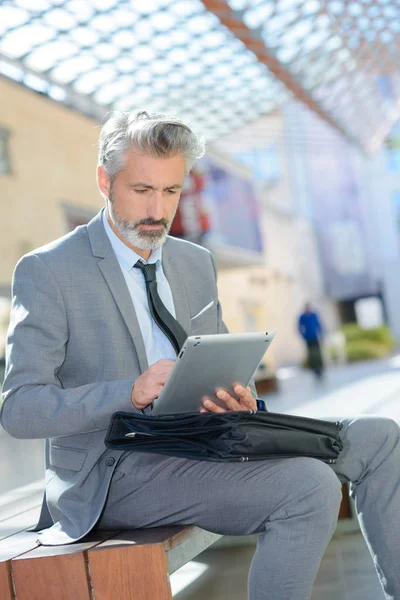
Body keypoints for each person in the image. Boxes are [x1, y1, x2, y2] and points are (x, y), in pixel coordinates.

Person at [1, 110, 400, 600]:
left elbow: (226, 358)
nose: (158, 210)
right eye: (142, 190)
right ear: (104, 180)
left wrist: (240, 396)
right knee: (309, 486)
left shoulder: (193, 261)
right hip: (116, 470)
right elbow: (19, 408)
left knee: (380, 437)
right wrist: (128, 391)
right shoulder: (49, 270)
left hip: (207, 439)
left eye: (171, 191)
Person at [298, 303, 325, 379]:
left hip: (315, 337)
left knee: (318, 353)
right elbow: (299, 327)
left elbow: (319, 325)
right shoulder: (302, 317)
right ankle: (314, 370)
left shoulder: (314, 315)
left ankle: (320, 369)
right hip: (308, 338)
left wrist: (321, 334)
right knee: (311, 354)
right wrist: (304, 336)